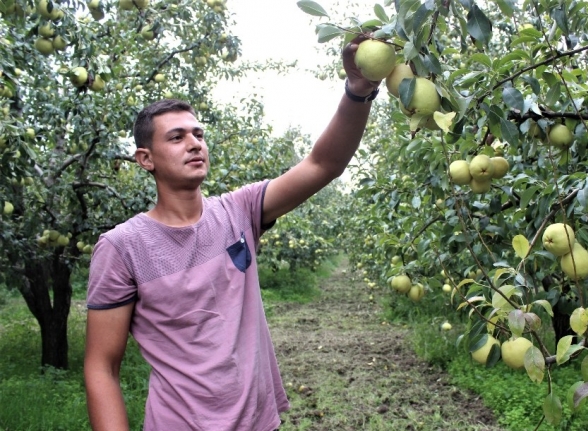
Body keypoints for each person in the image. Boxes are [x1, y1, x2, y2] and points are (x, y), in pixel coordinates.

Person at [83, 34, 381, 431]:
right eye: (176, 137)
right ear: (146, 159)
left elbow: (323, 164)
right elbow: (102, 365)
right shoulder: (122, 248)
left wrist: (358, 91)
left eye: (198, 134)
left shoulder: (238, 211)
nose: (194, 144)